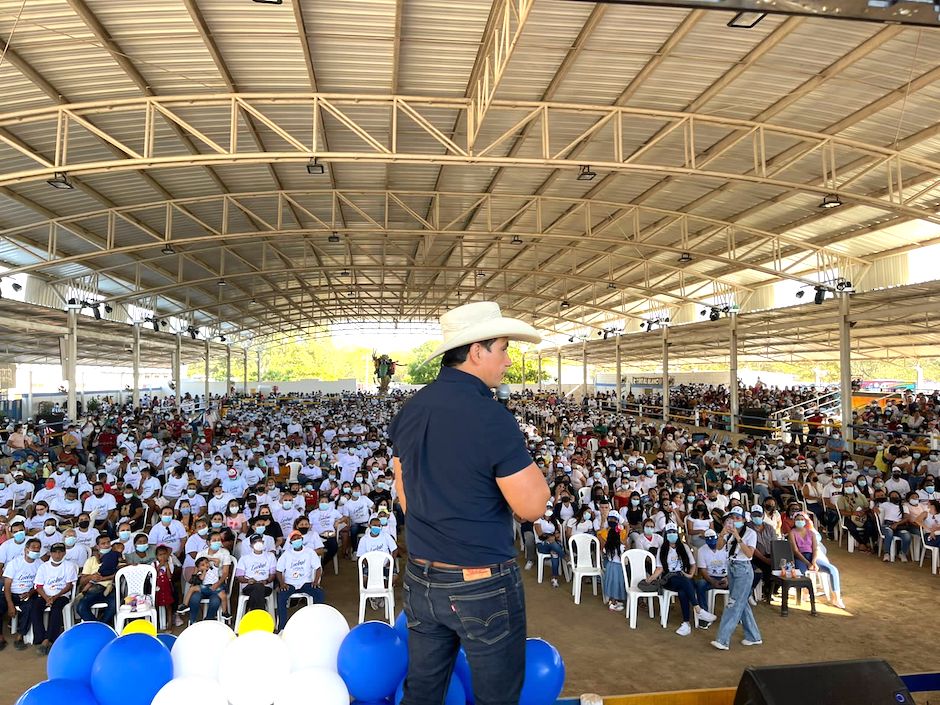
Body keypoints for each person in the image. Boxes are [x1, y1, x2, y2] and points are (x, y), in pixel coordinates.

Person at [389, 301, 549, 705]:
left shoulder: (412, 408)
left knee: (422, 693)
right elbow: (532, 507)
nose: (509, 360)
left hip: (422, 577)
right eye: (503, 348)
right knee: (496, 697)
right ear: (477, 351)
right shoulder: (491, 416)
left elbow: (402, 489)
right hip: (481, 583)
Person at [645, 522, 717, 636]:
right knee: (683, 581)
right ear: (666, 535)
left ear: (677, 534)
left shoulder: (684, 547)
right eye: (669, 532)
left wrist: (690, 575)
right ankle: (698, 610)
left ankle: (686, 623)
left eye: (674, 532)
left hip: (684, 577)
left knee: (683, 591)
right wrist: (651, 578)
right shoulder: (662, 549)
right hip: (669, 579)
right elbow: (659, 568)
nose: (672, 534)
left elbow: (693, 565)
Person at [711, 509, 762, 651]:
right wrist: (722, 534)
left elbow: (749, 554)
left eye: (738, 517)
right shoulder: (729, 532)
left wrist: (738, 537)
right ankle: (753, 636)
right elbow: (719, 547)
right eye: (732, 517)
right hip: (732, 567)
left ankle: (722, 639)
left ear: (744, 519)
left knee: (733, 604)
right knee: (742, 602)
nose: (735, 519)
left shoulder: (750, 533)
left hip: (743, 569)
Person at [29, 542, 78, 654]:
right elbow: (38, 586)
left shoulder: (69, 566)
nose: (57, 555)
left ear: (64, 553)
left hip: (61, 595)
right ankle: (40, 637)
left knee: (56, 609)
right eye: (55, 552)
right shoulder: (44, 567)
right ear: (50, 553)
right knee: (35, 607)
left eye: (60, 552)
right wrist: (47, 598)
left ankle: (49, 639)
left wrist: (55, 597)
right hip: (44, 595)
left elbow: (69, 585)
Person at [274, 530, 324, 632]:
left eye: (298, 538)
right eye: (294, 539)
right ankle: (282, 627)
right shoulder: (286, 554)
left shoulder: (310, 552)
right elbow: (279, 571)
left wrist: (315, 581)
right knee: (281, 598)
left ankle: (318, 622)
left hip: (305, 582)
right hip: (290, 583)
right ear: (290, 542)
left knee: (319, 593)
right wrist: (282, 583)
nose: (297, 541)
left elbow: (318, 568)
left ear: (302, 539)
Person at [3, 538, 42, 650]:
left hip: (28, 594)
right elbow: (7, 585)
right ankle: (0, 636)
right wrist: (10, 604)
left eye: (38, 548)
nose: (36, 550)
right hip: (11, 593)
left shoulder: (40, 564)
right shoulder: (14, 563)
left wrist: (30, 592)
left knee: (30, 607)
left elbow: (40, 584)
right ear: (26, 550)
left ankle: (20, 636)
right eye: (33, 547)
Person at [178, 556, 228, 624]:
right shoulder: (200, 573)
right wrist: (204, 571)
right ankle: (185, 605)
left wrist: (209, 559)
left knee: (223, 595)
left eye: (206, 563)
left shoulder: (213, 568)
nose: (206, 565)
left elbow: (217, 560)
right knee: (192, 589)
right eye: (202, 565)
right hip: (205, 587)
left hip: (214, 587)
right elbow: (201, 579)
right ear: (198, 568)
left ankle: (225, 612)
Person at [235, 534, 276, 612]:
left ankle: (252, 611)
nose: (258, 543)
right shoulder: (244, 558)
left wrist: (266, 581)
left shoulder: (270, 556)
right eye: (255, 542)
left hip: (266, 586)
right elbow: (239, 577)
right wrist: (248, 581)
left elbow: (273, 575)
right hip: (248, 586)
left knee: (259, 587)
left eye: (260, 541)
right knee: (257, 587)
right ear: (251, 545)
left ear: (263, 542)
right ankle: (260, 613)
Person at [596, 510, 627, 612]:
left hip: (610, 566)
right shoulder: (621, 547)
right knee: (617, 583)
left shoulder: (607, 547)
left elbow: (603, 550)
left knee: (611, 583)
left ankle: (612, 601)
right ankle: (613, 604)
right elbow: (624, 554)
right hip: (618, 567)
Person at [694, 528, 729, 613]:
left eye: (713, 537)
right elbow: (703, 570)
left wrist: (728, 578)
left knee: (738, 585)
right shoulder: (701, 550)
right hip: (710, 578)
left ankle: (736, 614)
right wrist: (712, 581)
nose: (711, 540)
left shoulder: (726, 548)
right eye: (708, 538)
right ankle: (704, 613)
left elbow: (732, 566)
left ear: (717, 537)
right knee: (700, 584)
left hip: (726, 577)